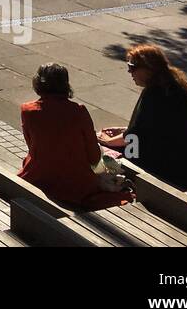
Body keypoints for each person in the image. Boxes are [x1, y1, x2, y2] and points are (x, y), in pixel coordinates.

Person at [98, 44, 187, 190]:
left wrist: (108, 141)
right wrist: (123, 129)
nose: (129, 71)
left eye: (132, 66)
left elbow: (135, 137)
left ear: (148, 69)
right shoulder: (175, 88)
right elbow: (154, 127)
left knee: (103, 151)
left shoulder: (153, 94)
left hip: (169, 167)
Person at [19, 64, 129, 209]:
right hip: (76, 183)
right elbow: (94, 157)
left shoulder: (28, 111)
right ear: (65, 85)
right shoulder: (78, 111)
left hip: (38, 176)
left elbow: (32, 147)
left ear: (38, 83)